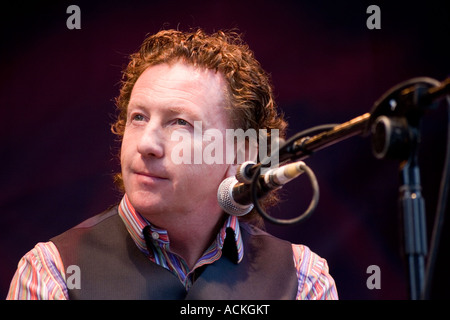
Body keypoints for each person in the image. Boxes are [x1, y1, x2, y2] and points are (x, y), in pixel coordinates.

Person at [7, 28, 338, 300]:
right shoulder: (52, 273)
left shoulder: (303, 279)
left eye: (180, 123)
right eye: (138, 117)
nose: (147, 144)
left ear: (243, 154)